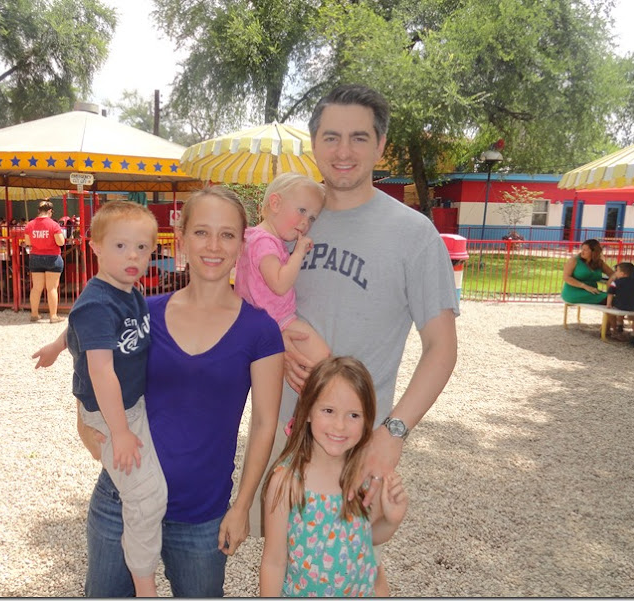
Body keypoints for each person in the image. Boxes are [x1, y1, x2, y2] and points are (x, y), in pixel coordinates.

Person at [250, 84, 459, 596]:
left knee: (356, 570)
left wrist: (393, 433)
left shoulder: (413, 234)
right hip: (285, 438)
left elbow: (443, 348)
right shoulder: (292, 221)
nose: (343, 151)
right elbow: (252, 302)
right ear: (314, 143)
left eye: (359, 138)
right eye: (331, 137)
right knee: (285, 568)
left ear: (381, 145)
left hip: (355, 445)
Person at [32, 186, 285, 597]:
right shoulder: (145, 311)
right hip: (121, 502)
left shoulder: (260, 330)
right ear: (180, 238)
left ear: (243, 243)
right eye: (201, 232)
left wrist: (242, 506)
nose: (214, 245)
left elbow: (264, 424)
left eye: (227, 234)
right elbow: (91, 367)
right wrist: (88, 429)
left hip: (201, 516)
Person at [66, 200, 166, 596]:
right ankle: (145, 585)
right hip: (113, 414)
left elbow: (80, 328)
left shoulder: (125, 291)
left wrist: (57, 346)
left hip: (128, 405)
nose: (133, 256)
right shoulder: (98, 301)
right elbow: (101, 370)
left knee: (145, 489)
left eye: (142, 247)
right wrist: (120, 431)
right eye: (121, 246)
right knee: (148, 496)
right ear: (95, 247)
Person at [259, 356, 409, 597]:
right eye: (328, 411)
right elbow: (274, 562)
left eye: (354, 415)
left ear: (367, 420)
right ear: (307, 411)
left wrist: (391, 520)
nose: (340, 426)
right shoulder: (286, 482)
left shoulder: (365, 477)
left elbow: (366, 538)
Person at [234, 172, 331, 365]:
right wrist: (299, 252)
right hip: (278, 320)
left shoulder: (252, 237)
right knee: (324, 360)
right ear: (275, 203)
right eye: (301, 210)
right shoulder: (265, 242)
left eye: (312, 218)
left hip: (254, 322)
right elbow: (279, 284)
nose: (305, 222)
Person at [24, 199, 66, 323]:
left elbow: (28, 242)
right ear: (50, 211)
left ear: (38, 211)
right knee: (52, 288)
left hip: (36, 257)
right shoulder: (54, 225)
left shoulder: (30, 224)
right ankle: (53, 316)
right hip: (52, 258)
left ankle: (34, 314)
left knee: (36, 288)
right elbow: (60, 242)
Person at [561, 238, 614, 305]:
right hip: (574, 292)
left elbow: (612, 274)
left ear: (594, 252)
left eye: (585, 250)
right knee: (611, 299)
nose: (582, 252)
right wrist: (585, 286)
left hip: (592, 292)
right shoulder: (574, 260)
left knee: (613, 298)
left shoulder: (599, 263)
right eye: (582, 249)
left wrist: (610, 281)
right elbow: (566, 277)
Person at [606, 261, 634, 346]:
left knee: (620, 314)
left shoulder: (615, 282)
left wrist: (609, 304)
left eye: (617, 271)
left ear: (622, 273)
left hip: (619, 305)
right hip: (633, 306)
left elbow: (610, 294)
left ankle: (619, 325)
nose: (615, 273)